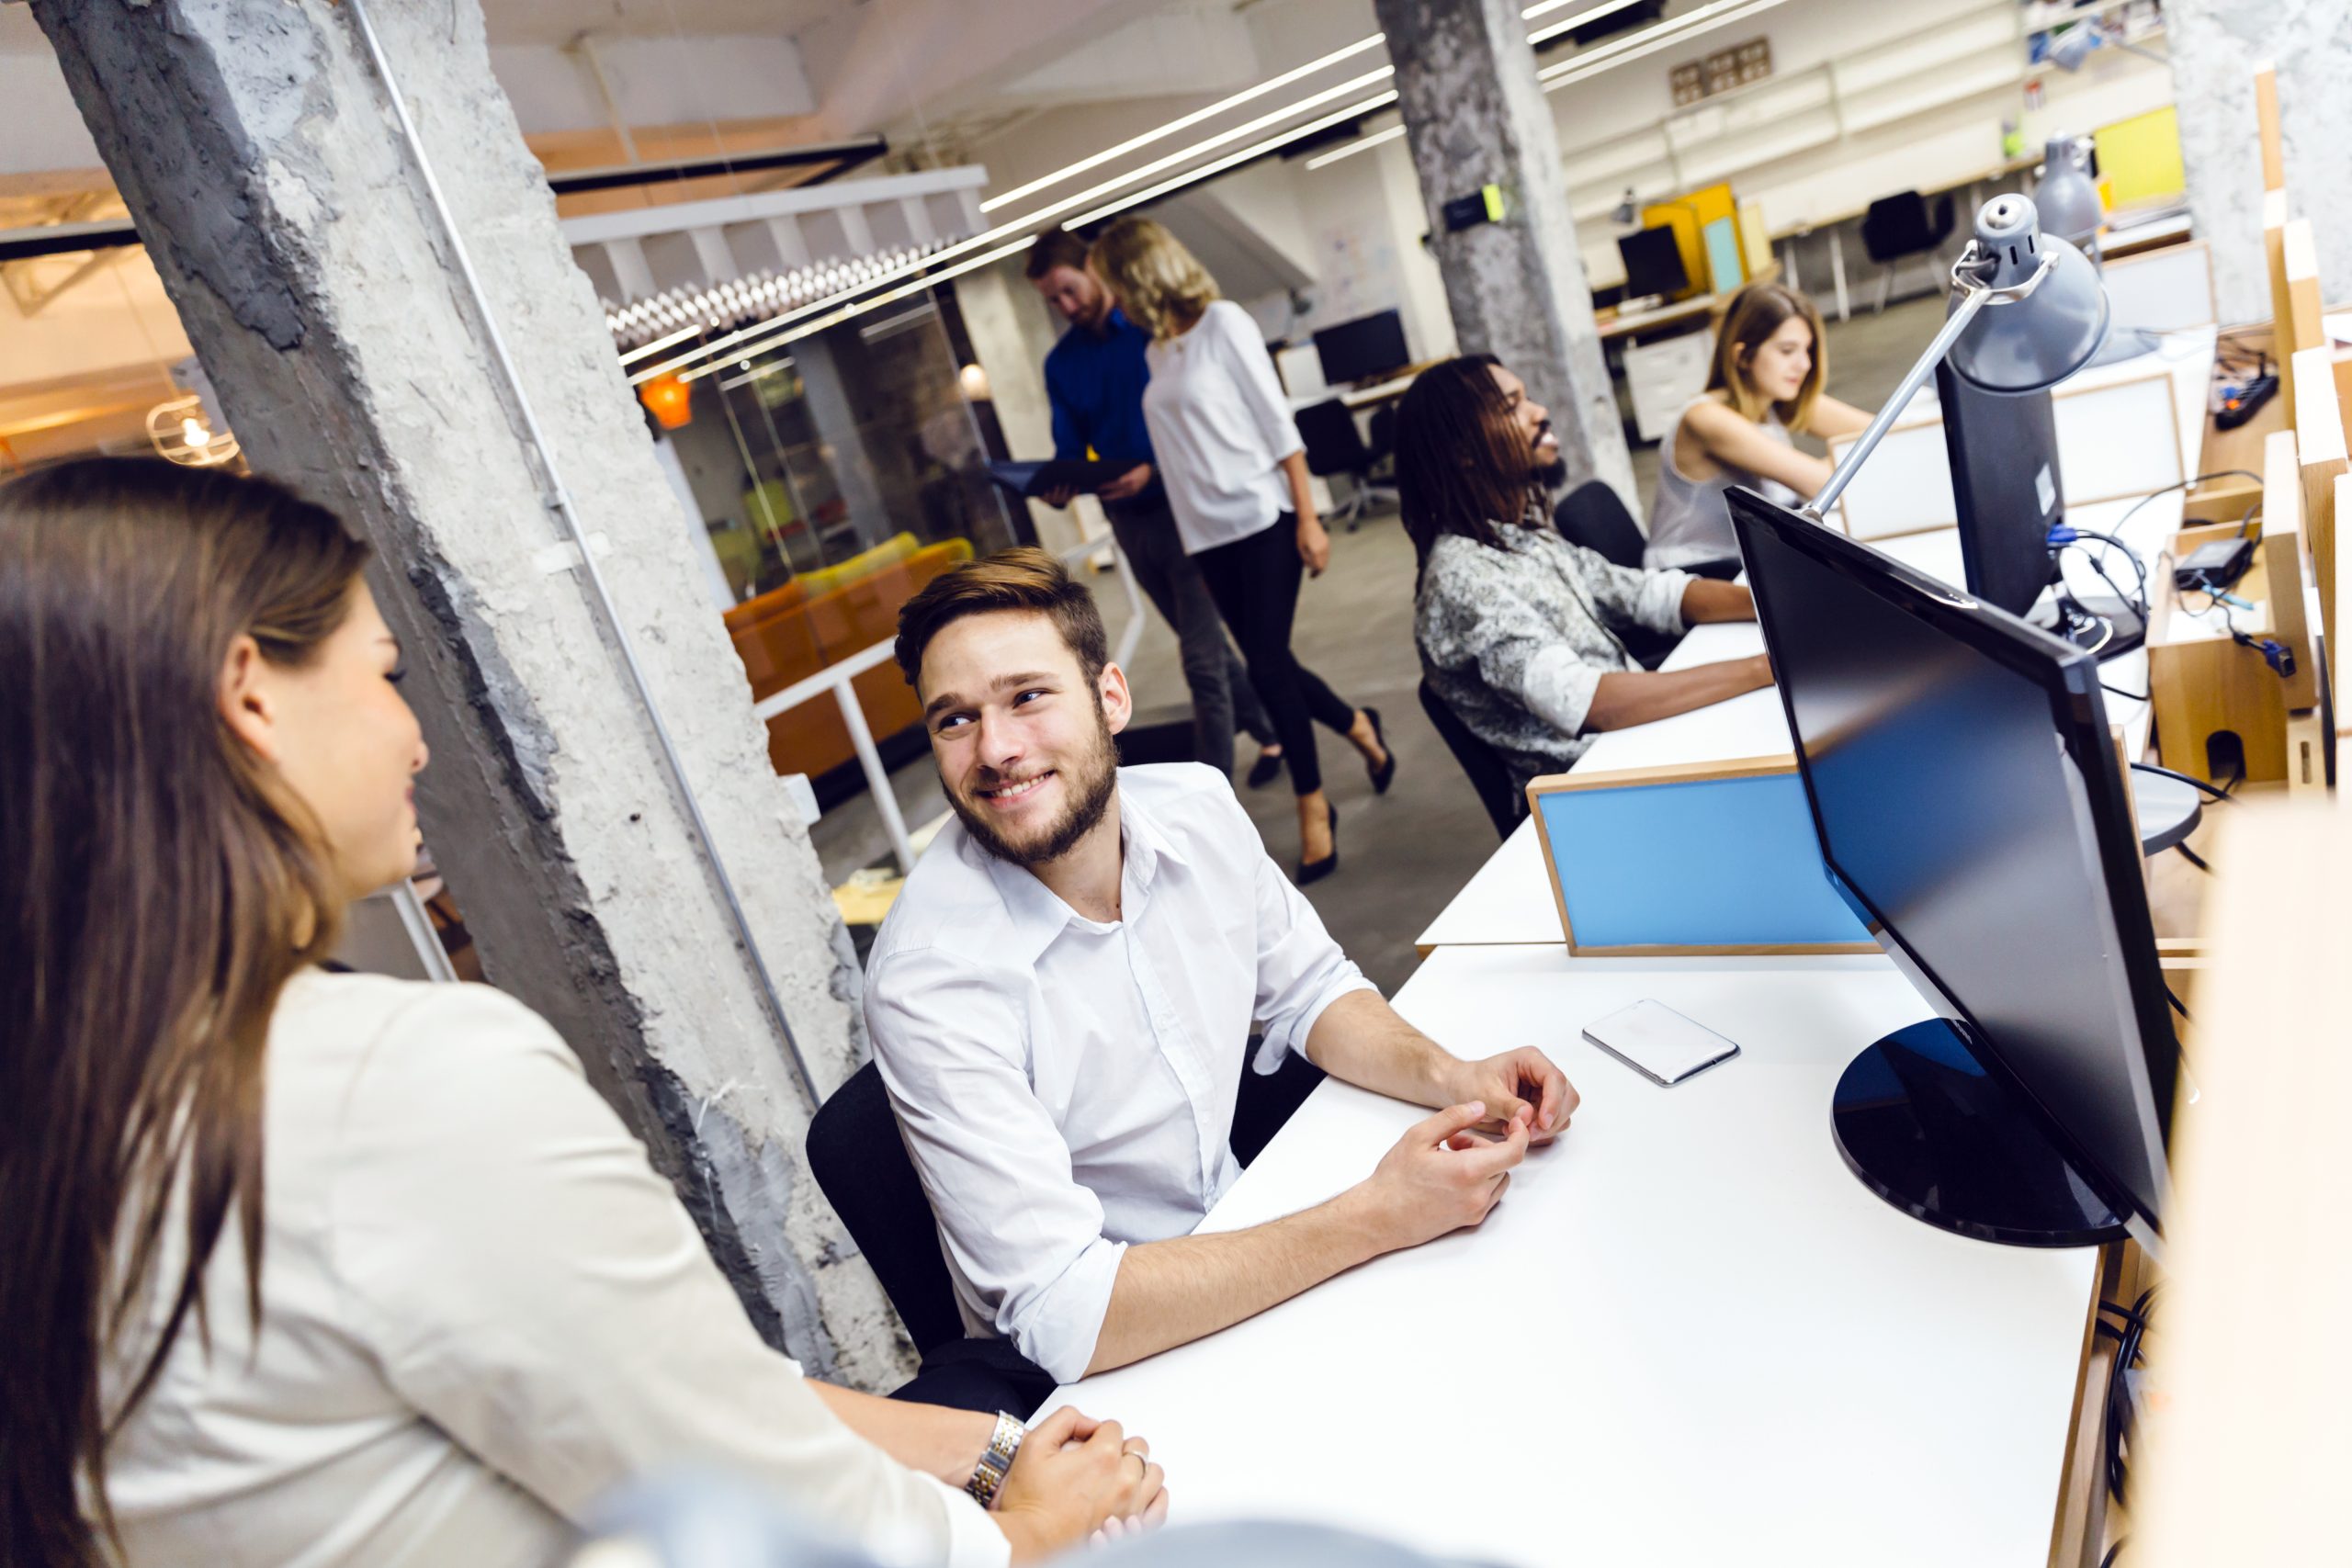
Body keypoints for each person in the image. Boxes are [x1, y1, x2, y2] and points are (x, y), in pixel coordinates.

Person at [0, 459, 1164, 1568]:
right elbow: (728, 1478)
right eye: (384, 673)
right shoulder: (399, 1086)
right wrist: (1016, 1535)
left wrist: (988, 1449)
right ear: (253, 696)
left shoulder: (73, 1103)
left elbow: (663, 1394)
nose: (414, 737)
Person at [865, 547, 1576, 1393]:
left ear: (1111, 697)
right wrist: (1380, 1213)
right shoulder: (930, 979)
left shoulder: (1196, 809)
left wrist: (1455, 1076)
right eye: (954, 720)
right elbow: (1066, 1310)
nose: (995, 748)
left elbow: (1311, 990)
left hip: (1251, 1229)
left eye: (1027, 696)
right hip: (1118, 1368)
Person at [1086, 217, 1391, 883]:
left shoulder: (1223, 324)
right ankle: (1358, 726)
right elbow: (1182, 455)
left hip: (1262, 519)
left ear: (1139, 274)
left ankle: (1314, 802)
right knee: (1269, 662)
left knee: (1268, 664)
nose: (1111, 298)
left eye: (1113, 282)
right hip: (1207, 537)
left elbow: (1278, 426)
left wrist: (1309, 517)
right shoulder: (1157, 351)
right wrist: (1182, 525)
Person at [1400, 355, 1774, 792]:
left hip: (1640, 744)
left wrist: (1772, 603)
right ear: (1463, 452)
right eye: (1511, 407)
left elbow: (1641, 593)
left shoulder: (1516, 536)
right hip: (1599, 787)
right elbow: (1585, 701)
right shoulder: (1464, 579)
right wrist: (1767, 667)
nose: (1539, 412)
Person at [1025, 229, 1283, 788]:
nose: (1065, 306)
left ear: (1094, 270)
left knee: (1201, 662)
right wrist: (1059, 480)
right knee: (1208, 648)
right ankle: (1273, 733)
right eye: (1053, 299)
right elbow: (1070, 446)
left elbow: (1202, 422)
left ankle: (1208, 796)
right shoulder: (1061, 364)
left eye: (1070, 289)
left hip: (1189, 511)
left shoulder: (1155, 333)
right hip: (1129, 523)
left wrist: (1154, 469)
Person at [1645, 279, 1873, 572]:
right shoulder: (1705, 418)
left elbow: (1885, 433)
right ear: (1742, 356)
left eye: (1807, 350)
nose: (1804, 364)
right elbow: (1824, 484)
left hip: (1750, 554)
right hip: (1698, 569)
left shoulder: (1776, 396)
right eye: (1787, 351)